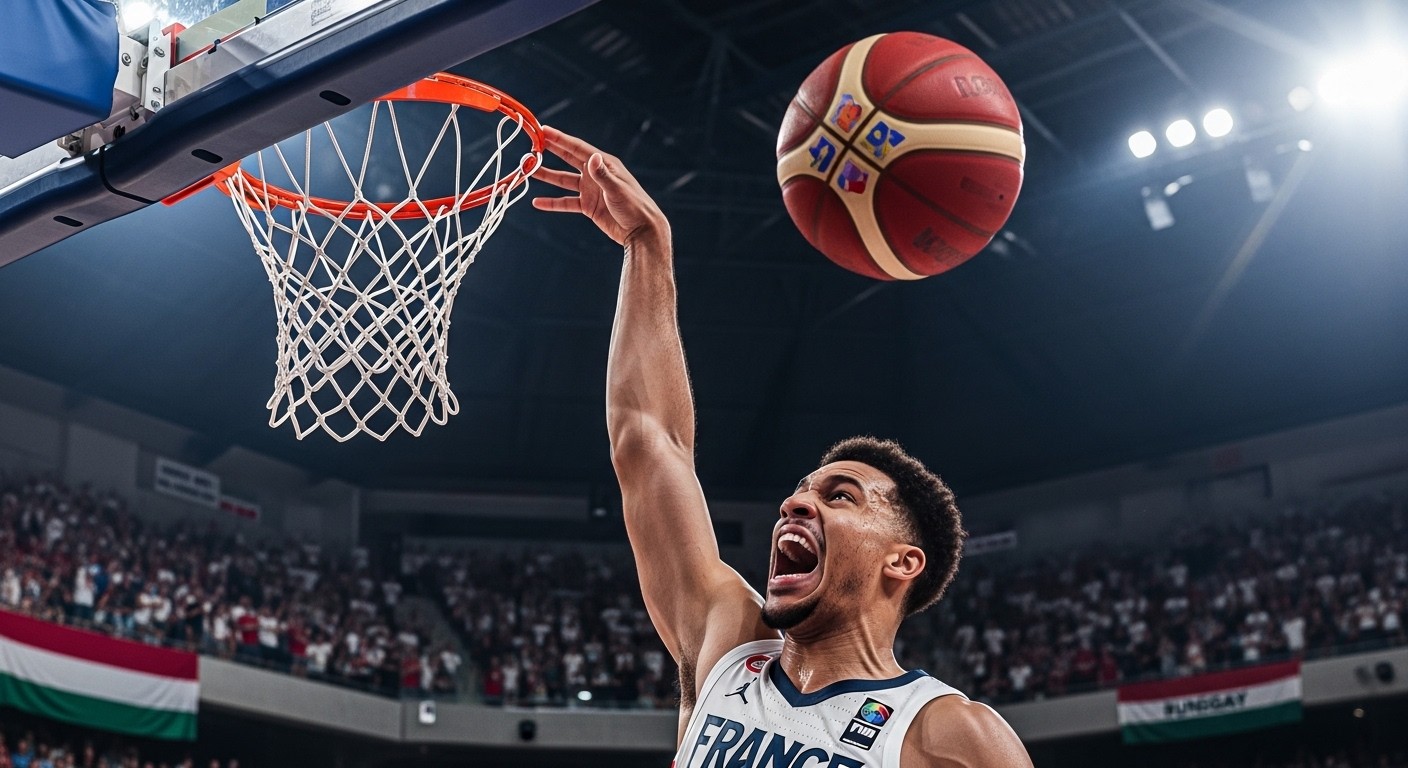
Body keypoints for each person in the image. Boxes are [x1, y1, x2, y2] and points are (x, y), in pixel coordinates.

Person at [533, 128, 1032, 768]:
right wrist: (647, 247)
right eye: (799, 491)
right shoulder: (727, 643)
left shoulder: (948, 736)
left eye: (840, 495)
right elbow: (648, 441)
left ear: (902, 562)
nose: (796, 504)